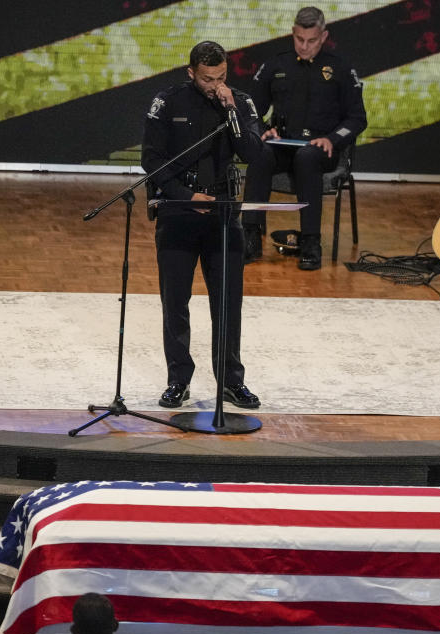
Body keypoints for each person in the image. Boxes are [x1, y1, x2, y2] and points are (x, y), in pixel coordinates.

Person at [142, 41, 265, 410]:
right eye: (208, 79)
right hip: (179, 210)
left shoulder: (239, 103)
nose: (216, 85)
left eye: (222, 77)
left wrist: (231, 112)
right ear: (191, 72)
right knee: (175, 301)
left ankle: (230, 381)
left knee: (228, 302)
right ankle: (178, 380)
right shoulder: (167, 102)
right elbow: (152, 159)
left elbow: (255, 154)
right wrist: (183, 195)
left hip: (222, 210)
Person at [242, 6, 367, 270]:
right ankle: (250, 235)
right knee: (259, 151)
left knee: (307, 157)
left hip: (321, 151)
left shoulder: (341, 68)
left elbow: (357, 119)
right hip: (283, 146)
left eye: (311, 41)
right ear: (293, 34)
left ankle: (311, 241)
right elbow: (250, 110)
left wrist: (332, 139)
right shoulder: (276, 64)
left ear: (323, 37)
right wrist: (263, 129)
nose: (304, 46)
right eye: (299, 39)